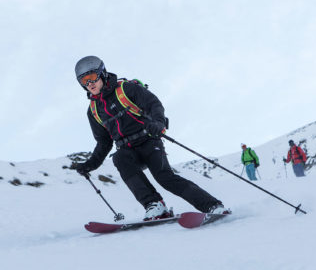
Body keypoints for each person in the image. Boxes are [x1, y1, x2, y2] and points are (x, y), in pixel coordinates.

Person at [73, 56, 227, 220]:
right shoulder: (94, 110)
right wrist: (91, 164)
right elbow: (104, 142)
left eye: (91, 77)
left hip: (149, 139)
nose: (89, 84)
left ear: (102, 73)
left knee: (165, 177)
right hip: (127, 150)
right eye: (84, 81)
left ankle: (212, 205)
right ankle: (155, 205)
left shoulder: (126, 89)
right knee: (120, 158)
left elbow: (154, 104)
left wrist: (159, 123)